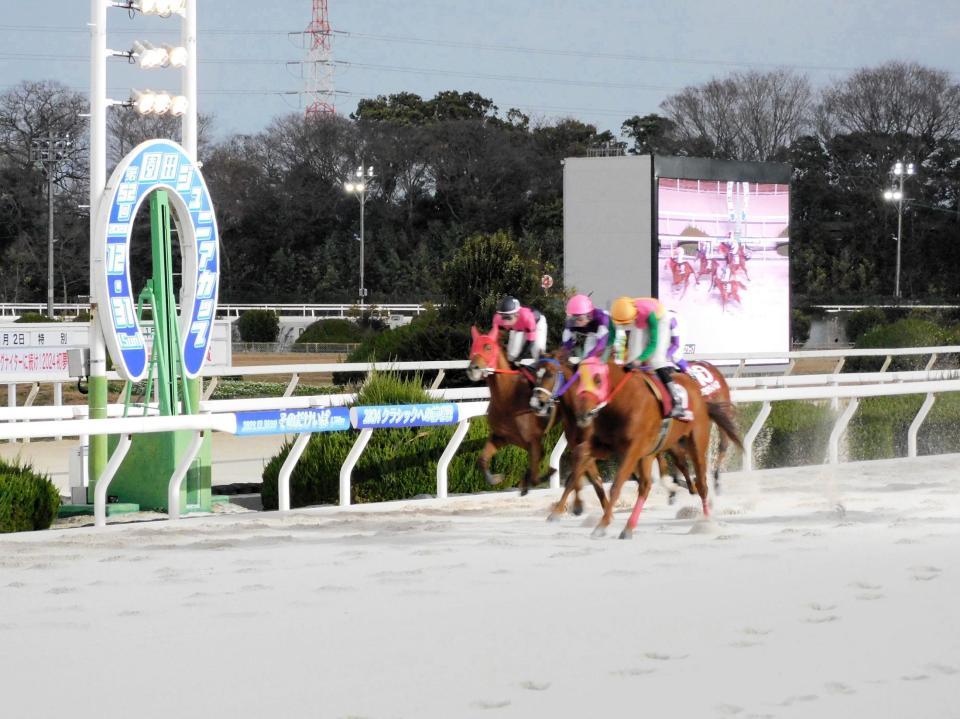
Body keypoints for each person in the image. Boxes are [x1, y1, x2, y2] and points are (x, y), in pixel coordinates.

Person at [609, 296, 692, 421]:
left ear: (633, 316)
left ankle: (677, 402)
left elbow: (653, 344)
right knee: (632, 358)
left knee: (657, 360)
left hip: (659, 320)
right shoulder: (620, 314)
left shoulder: (651, 316)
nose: (626, 328)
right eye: (623, 325)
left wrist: (641, 358)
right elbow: (615, 338)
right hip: (640, 318)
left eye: (627, 324)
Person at [492, 296, 547, 366]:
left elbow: (530, 341)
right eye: (503, 317)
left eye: (508, 318)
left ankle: (541, 369)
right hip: (519, 327)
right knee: (511, 355)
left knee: (537, 351)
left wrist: (520, 357)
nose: (505, 321)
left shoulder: (527, 318)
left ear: (517, 315)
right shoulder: (497, 319)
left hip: (537, 323)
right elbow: (494, 335)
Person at [559, 294, 610, 362]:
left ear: (589, 315)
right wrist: (566, 350)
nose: (576, 323)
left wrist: (590, 360)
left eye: (579, 319)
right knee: (585, 359)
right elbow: (567, 342)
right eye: (573, 318)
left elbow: (600, 347)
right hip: (592, 333)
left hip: (608, 335)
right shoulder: (572, 321)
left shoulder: (602, 318)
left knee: (598, 361)